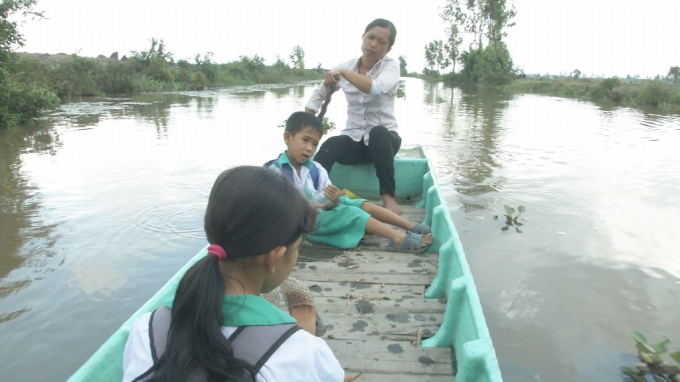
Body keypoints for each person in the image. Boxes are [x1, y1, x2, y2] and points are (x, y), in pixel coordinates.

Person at [122, 166, 350, 382]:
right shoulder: (303, 353)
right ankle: (305, 325)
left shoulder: (146, 328)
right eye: (297, 248)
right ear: (274, 257)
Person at [266, 111, 432, 252]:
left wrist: (334, 200)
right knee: (351, 213)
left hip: (322, 209)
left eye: (315, 144)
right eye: (305, 140)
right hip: (304, 220)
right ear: (288, 137)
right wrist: (303, 208)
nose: (310, 148)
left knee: (362, 204)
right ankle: (399, 239)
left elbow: (327, 202)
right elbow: (271, 210)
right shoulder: (274, 172)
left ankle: (410, 226)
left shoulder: (316, 168)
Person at [305, 18, 404, 215]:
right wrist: (305, 121)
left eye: (381, 42)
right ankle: (314, 195)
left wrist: (342, 73)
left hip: (386, 142)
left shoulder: (391, 66)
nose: (373, 44)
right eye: (371, 37)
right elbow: (319, 95)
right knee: (330, 145)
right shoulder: (344, 67)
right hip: (356, 140)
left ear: (388, 48)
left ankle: (388, 198)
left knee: (378, 132)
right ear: (363, 37)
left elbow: (374, 88)